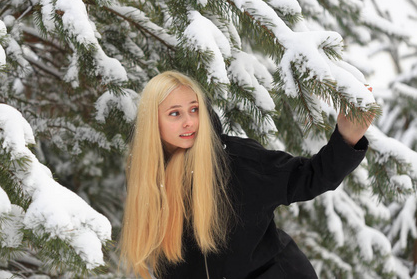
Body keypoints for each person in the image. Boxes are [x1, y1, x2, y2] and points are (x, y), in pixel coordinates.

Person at [119, 70, 373, 279]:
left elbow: (310, 177)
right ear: (154, 122)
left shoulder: (236, 161)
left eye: (194, 109)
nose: (189, 121)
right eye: (175, 113)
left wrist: (347, 138)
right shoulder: (148, 179)